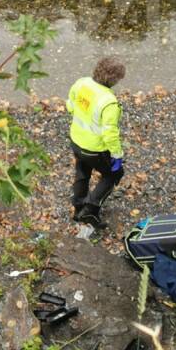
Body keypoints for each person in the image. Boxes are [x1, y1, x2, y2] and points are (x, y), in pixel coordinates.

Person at [66, 57, 126, 229]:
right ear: (113, 78)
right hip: (94, 149)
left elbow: (70, 106)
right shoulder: (109, 102)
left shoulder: (81, 84)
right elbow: (110, 134)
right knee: (113, 174)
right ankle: (90, 210)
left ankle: (78, 207)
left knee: (82, 171)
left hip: (76, 140)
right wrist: (117, 155)